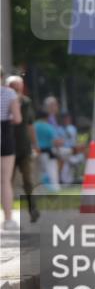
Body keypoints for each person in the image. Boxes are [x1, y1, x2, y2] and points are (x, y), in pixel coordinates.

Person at [6, 76, 39, 223]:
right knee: (7, 181)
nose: (17, 90)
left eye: (19, 87)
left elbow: (30, 124)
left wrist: (35, 144)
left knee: (28, 180)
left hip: (24, 147)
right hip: (8, 147)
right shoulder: (4, 101)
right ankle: (8, 213)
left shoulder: (26, 102)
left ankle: (33, 209)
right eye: (14, 87)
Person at [1, 70, 23, 231]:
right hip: (4, 135)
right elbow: (17, 119)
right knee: (5, 181)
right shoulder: (9, 93)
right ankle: (8, 219)